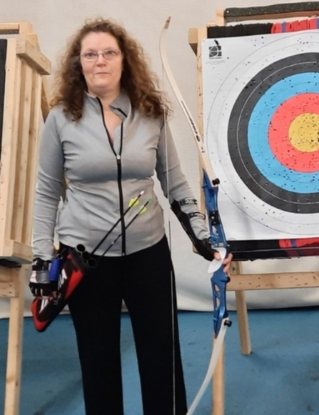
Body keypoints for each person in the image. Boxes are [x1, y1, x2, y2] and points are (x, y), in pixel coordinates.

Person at [29, 18, 231, 415]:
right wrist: (41, 258)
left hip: (147, 253)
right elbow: (47, 192)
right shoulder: (60, 119)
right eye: (90, 54)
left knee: (161, 354)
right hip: (85, 258)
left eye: (109, 52)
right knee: (98, 357)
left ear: (124, 60)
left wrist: (204, 238)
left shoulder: (151, 112)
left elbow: (175, 186)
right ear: (78, 63)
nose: (99, 61)